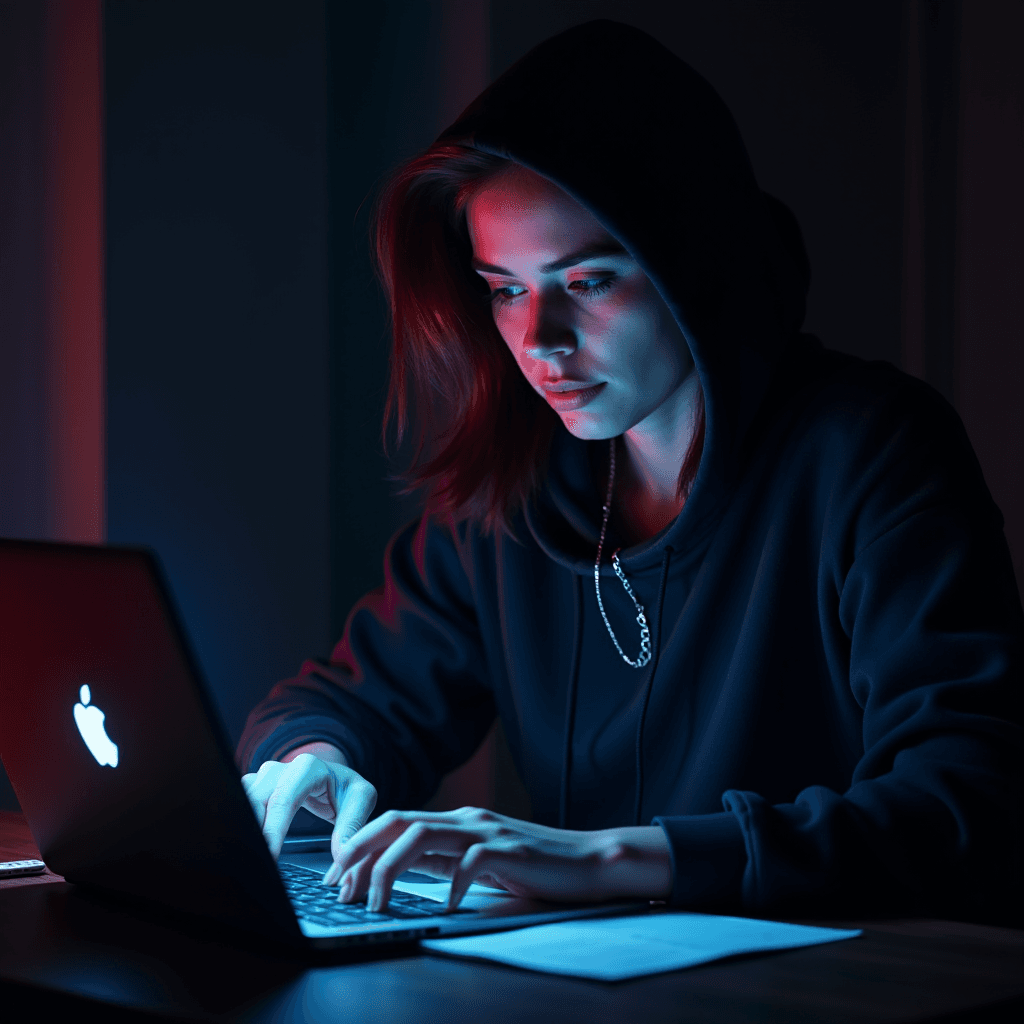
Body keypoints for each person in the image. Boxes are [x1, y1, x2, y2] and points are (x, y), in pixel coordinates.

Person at [239, 20, 1022, 923]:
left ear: (698, 264)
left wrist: (611, 859)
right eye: (505, 288)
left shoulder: (870, 452)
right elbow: (350, 698)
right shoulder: (512, 492)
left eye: (590, 281)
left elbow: (970, 802)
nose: (540, 342)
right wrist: (314, 759)